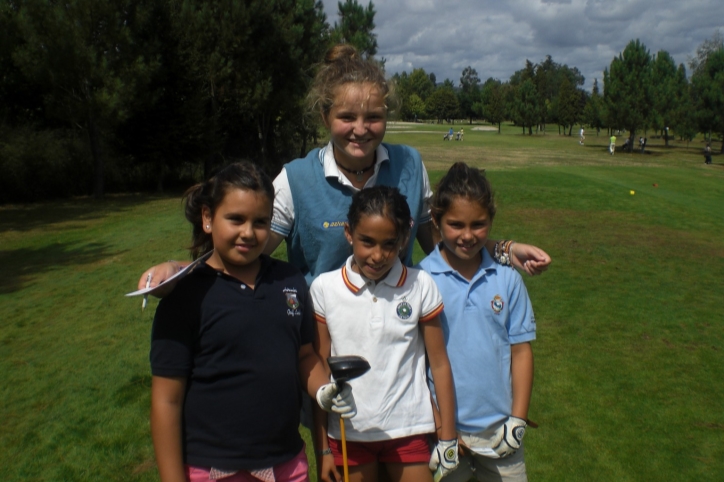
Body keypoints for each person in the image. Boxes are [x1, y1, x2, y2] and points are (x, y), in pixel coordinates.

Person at [137, 44, 550, 293]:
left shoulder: (408, 163)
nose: (360, 130)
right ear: (324, 116)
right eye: (347, 116)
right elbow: (242, 252)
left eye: (373, 117)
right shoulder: (295, 179)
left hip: (399, 336)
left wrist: (504, 250)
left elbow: (444, 243)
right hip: (324, 340)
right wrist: (181, 270)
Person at [149, 162, 357, 482]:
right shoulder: (185, 295)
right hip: (210, 468)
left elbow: (304, 355)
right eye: (235, 219)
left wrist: (322, 389)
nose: (248, 232)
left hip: (286, 463)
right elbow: (167, 399)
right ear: (208, 218)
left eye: (261, 222)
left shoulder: (289, 280)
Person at [312, 186, 458, 482]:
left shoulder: (421, 285)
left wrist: (448, 437)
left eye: (390, 244)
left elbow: (439, 363)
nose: (378, 255)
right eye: (367, 241)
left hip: (409, 428)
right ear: (349, 233)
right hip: (348, 432)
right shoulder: (324, 289)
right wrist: (322, 450)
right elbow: (319, 368)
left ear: (405, 238)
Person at [418, 163, 536, 482]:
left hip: (501, 434)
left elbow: (521, 352)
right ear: (437, 222)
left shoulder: (507, 279)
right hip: (445, 435)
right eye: (455, 224)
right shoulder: (421, 280)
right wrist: (443, 429)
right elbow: (414, 365)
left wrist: (518, 419)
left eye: (478, 225)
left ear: (491, 221)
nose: (468, 236)